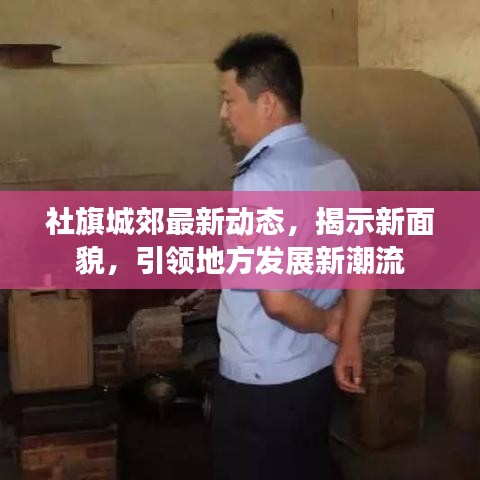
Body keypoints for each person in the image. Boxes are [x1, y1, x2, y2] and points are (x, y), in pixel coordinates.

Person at [213, 33, 374, 480]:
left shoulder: (260, 180)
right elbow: (362, 265)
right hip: (317, 375)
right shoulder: (336, 166)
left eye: (228, 99)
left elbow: (278, 300)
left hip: (261, 389)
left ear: (266, 103)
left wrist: (329, 324)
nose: (223, 114)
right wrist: (349, 339)